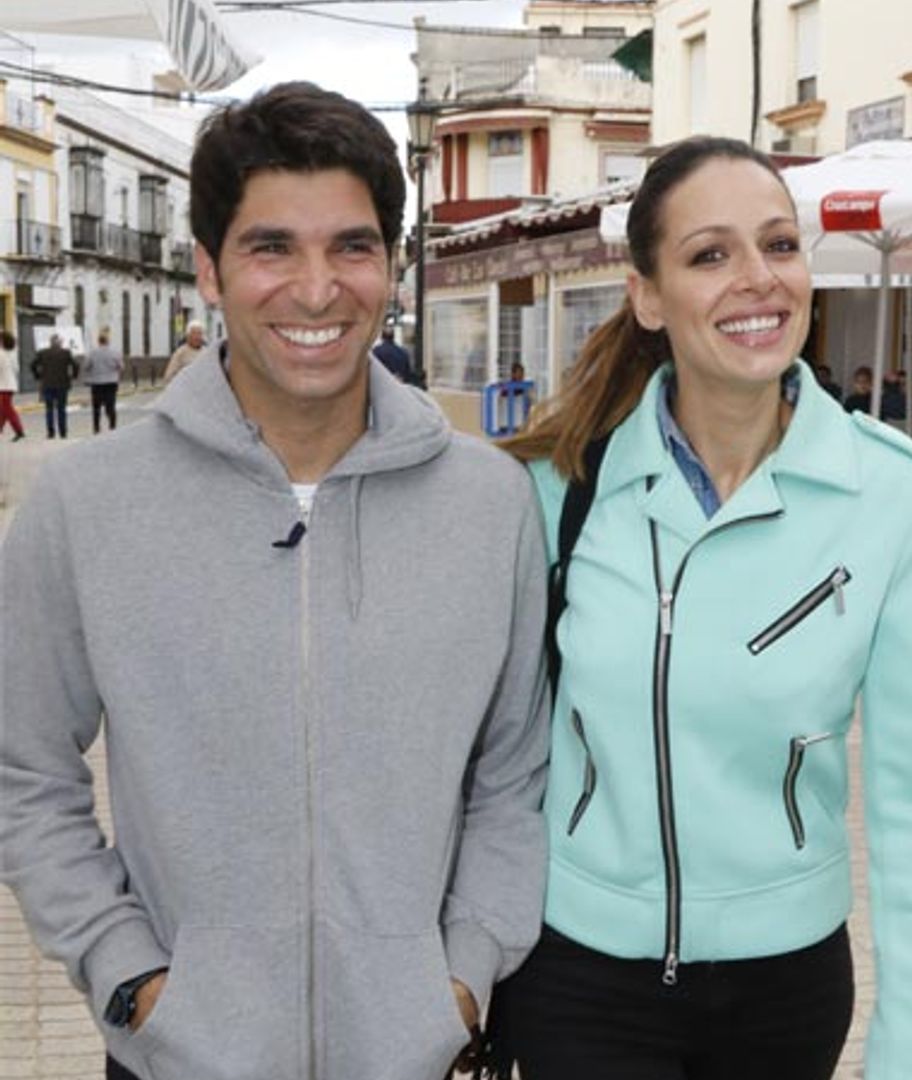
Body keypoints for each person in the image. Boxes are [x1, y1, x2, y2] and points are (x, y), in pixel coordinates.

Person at [0, 82, 552, 1080]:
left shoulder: (492, 503)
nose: (315, 289)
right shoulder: (84, 504)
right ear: (209, 269)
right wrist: (128, 974)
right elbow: (25, 772)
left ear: (390, 263)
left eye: (351, 245)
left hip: (415, 1052)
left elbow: (514, 777)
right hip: (178, 1054)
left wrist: (461, 975)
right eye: (271, 248)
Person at [493, 135, 912, 1080]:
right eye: (711, 255)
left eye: (780, 245)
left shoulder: (893, 496)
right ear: (647, 296)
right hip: (575, 975)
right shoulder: (555, 491)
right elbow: (486, 759)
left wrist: (910, 1046)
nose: (759, 279)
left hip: (783, 986)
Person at [30, 332, 77, 439]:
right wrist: (73, 376)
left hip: (47, 384)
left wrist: (38, 376)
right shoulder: (66, 353)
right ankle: (63, 432)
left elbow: (32, 365)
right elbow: (75, 365)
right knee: (61, 409)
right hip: (62, 385)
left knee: (49, 409)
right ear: (60, 343)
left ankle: (51, 432)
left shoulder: (43, 353)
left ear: (50, 343)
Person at [83, 326, 125, 433]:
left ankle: (96, 427)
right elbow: (121, 366)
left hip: (96, 383)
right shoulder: (115, 352)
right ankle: (112, 425)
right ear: (108, 341)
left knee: (96, 406)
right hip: (111, 382)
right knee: (110, 404)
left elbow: (86, 366)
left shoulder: (92, 353)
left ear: (98, 341)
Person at [0, 330, 23, 441]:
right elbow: (17, 370)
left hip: (3, 385)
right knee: (3, 409)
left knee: (7, 409)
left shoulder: (0, 354)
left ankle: (19, 430)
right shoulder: (13, 353)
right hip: (11, 385)